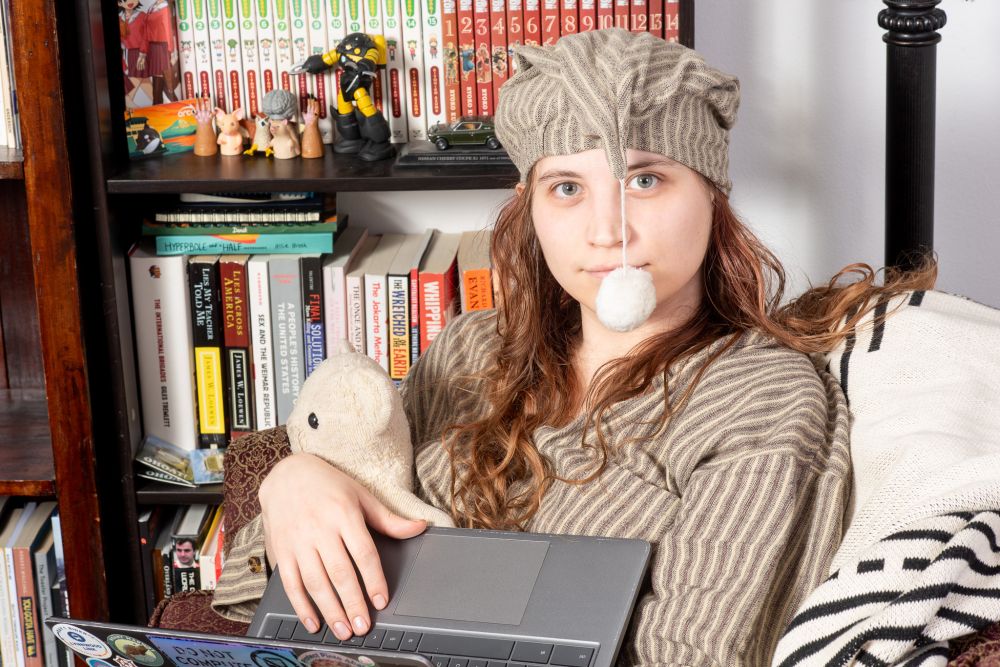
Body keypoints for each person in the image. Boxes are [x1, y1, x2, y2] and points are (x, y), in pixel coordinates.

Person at [212, 28, 936, 665]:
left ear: (712, 197)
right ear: (530, 211)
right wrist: (295, 485)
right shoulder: (471, 351)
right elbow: (243, 588)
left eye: (645, 179)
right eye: (566, 188)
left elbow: (695, 654)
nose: (606, 230)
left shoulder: (762, 399)